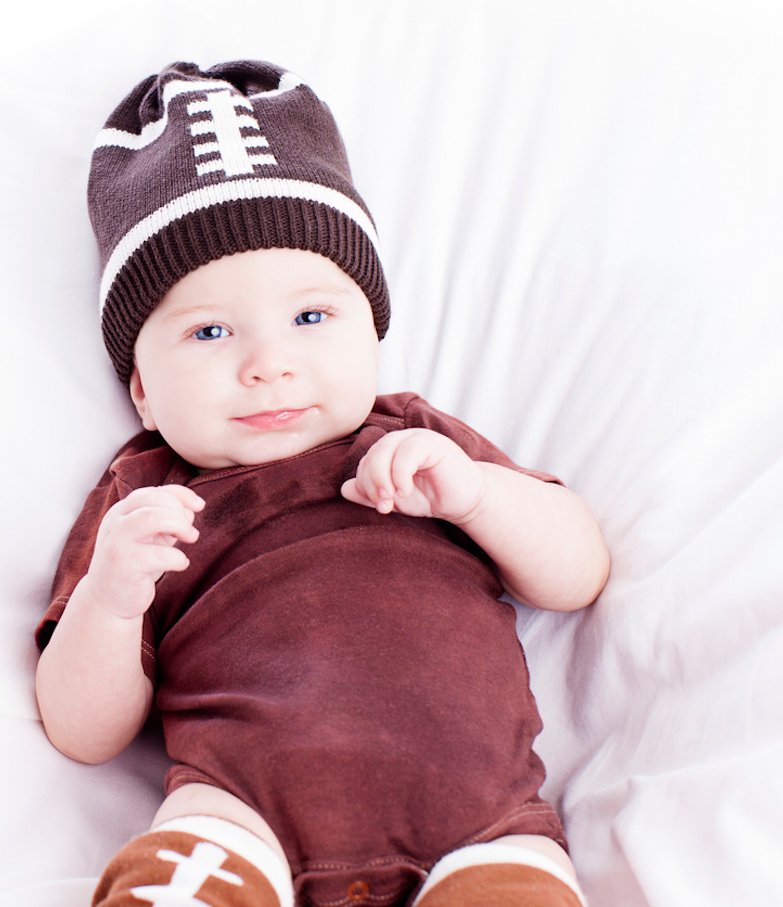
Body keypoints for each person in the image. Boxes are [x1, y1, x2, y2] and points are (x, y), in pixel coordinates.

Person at [34, 60, 610, 907]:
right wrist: (112, 600)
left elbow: (578, 572)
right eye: (209, 330)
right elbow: (85, 732)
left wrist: (478, 496)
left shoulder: (418, 441)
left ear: (372, 333)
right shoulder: (147, 496)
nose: (269, 364)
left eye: (311, 317)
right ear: (144, 392)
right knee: (183, 876)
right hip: (239, 814)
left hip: (481, 825)